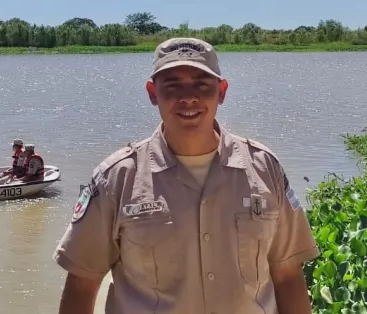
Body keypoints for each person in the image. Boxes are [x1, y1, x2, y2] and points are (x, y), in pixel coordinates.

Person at [52, 37, 320, 314]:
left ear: (222, 91)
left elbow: (287, 276)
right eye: (173, 85)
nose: (188, 97)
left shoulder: (265, 168)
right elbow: (82, 284)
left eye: (202, 84)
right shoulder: (116, 179)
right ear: (152, 93)